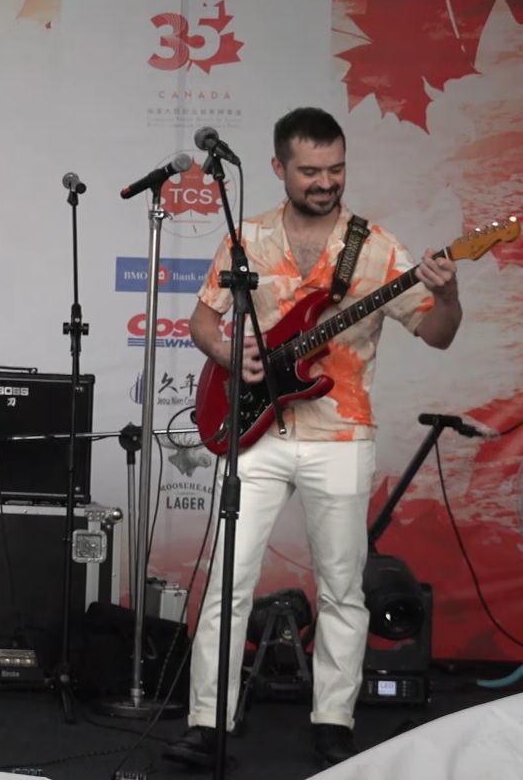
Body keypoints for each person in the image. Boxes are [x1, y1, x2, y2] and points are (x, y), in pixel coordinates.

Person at [164, 108, 461, 768]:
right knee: (226, 583)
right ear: (278, 169)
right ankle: (206, 722)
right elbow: (201, 320)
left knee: (341, 586)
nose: (325, 182)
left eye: (335, 169)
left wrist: (449, 290)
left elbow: (438, 333)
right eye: (310, 171)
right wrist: (228, 353)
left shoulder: (379, 248)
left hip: (339, 431)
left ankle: (332, 721)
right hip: (253, 432)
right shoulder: (249, 236)